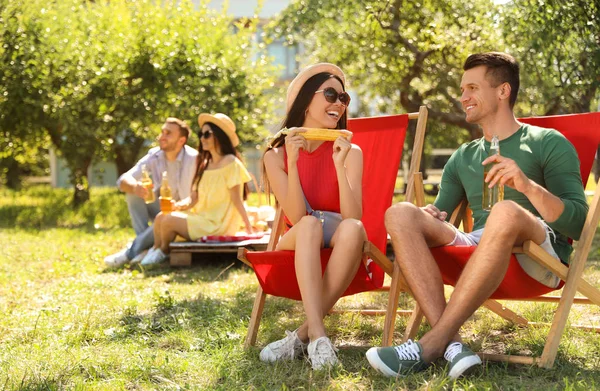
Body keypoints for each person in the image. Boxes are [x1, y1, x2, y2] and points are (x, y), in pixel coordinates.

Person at [366, 52, 588, 379]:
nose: (463, 98)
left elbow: (578, 222)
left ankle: (430, 345)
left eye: (472, 88)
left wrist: (526, 186)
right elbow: (443, 214)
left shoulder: (547, 142)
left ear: (503, 91)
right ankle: (454, 346)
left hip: (539, 258)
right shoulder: (464, 156)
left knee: (505, 211)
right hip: (479, 247)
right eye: (462, 89)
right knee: (400, 214)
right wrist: (430, 215)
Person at [258, 63, 367, 370]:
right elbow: (294, 214)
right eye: (330, 94)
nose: (338, 104)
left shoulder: (351, 151)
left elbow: (352, 216)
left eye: (343, 98)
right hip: (299, 236)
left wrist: (338, 165)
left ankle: (304, 336)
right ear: (306, 100)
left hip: (338, 231)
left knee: (354, 228)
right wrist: (292, 161)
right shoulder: (275, 155)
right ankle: (318, 334)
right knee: (307, 224)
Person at [140, 113, 254, 267]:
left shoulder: (231, 163)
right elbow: (194, 199)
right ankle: (156, 249)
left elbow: (237, 199)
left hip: (218, 224)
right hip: (202, 218)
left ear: (219, 137)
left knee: (168, 221)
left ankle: (163, 253)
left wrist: (248, 228)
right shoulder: (204, 164)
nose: (202, 138)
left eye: (207, 134)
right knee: (161, 216)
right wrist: (177, 206)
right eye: (201, 134)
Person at [104, 118, 198, 268]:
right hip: (163, 208)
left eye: (168, 133)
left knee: (166, 215)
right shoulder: (154, 155)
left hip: (185, 212)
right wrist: (136, 187)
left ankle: (131, 252)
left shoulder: (195, 159)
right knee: (133, 193)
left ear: (181, 140)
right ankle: (145, 247)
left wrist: (178, 207)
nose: (162, 136)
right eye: (162, 132)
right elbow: (122, 181)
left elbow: (197, 196)